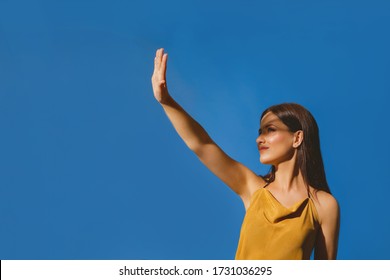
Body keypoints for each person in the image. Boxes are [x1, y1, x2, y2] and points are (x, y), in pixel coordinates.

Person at [151, 48, 340, 260]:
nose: (260, 139)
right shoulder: (253, 188)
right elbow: (202, 145)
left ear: (297, 138)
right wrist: (166, 100)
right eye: (260, 132)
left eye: (271, 130)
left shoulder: (323, 206)